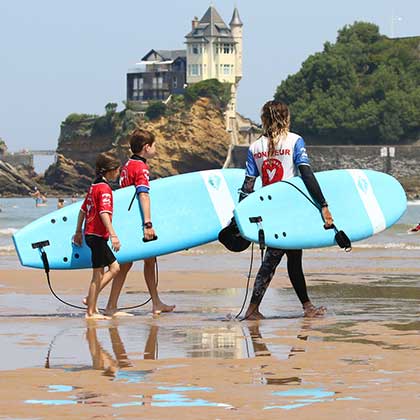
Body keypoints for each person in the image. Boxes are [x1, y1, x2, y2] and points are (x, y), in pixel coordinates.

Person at [240, 100, 334, 320]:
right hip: (289, 210)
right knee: (273, 260)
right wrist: (323, 204)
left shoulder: (254, 147)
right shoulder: (294, 141)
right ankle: (253, 310)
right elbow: (306, 174)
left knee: (293, 256)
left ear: (264, 119)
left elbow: (248, 185)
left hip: (268, 209)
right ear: (287, 117)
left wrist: (241, 215)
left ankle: (307, 306)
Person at [109, 128, 175, 315]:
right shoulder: (141, 168)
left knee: (146, 259)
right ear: (146, 147)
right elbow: (143, 195)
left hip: (127, 220)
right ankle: (108, 304)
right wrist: (148, 224)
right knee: (129, 263)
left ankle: (155, 302)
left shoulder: (127, 165)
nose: (156, 149)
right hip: (138, 222)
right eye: (154, 146)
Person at [73, 152, 121, 320]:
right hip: (98, 235)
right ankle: (90, 311)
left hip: (91, 234)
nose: (118, 173)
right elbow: (103, 213)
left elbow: (82, 210)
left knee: (113, 268)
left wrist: (78, 231)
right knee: (99, 274)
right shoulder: (105, 189)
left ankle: (91, 303)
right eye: (117, 170)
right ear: (110, 170)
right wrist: (114, 235)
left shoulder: (94, 186)